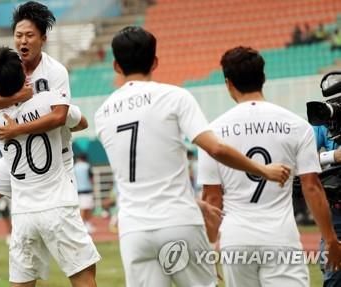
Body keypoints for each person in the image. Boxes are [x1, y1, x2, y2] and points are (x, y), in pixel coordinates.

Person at [94, 26, 291, 287]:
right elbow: (216, 149)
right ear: (155, 61)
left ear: (116, 66)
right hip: (178, 220)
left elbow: (140, 174)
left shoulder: (103, 113)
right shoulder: (174, 97)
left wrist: (196, 203)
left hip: (133, 229)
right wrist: (264, 170)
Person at [0, 0, 87, 249]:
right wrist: (18, 97)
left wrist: (16, 129)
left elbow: (60, 116)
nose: (23, 41)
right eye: (18, 35)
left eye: (29, 35)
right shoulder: (10, 66)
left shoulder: (54, 71)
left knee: (59, 229)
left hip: (55, 161)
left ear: (42, 38)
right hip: (16, 160)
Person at [198, 46, 341, 287]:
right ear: (263, 78)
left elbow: (212, 199)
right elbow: (312, 187)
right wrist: (331, 240)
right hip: (280, 235)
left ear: (228, 82)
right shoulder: (296, 125)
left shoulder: (212, 132)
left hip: (236, 238)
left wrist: (210, 250)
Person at [0, 46, 100, 286]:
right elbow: (81, 122)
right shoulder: (49, 101)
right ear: (23, 74)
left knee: (22, 283)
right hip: (57, 204)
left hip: (23, 211)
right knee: (84, 278)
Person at [314, 124, 341, 286]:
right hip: (337, 212)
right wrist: (332, 156)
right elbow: (297, 159)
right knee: (334, 274)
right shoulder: (326, 119)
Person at [74, 153, 95, 233]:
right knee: (87, 209)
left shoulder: (74, 167)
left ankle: (84, 225)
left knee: (82, 209)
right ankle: (85, 225)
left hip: (78, 191)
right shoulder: (87, 166)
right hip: (87, 190)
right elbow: (91, 179)